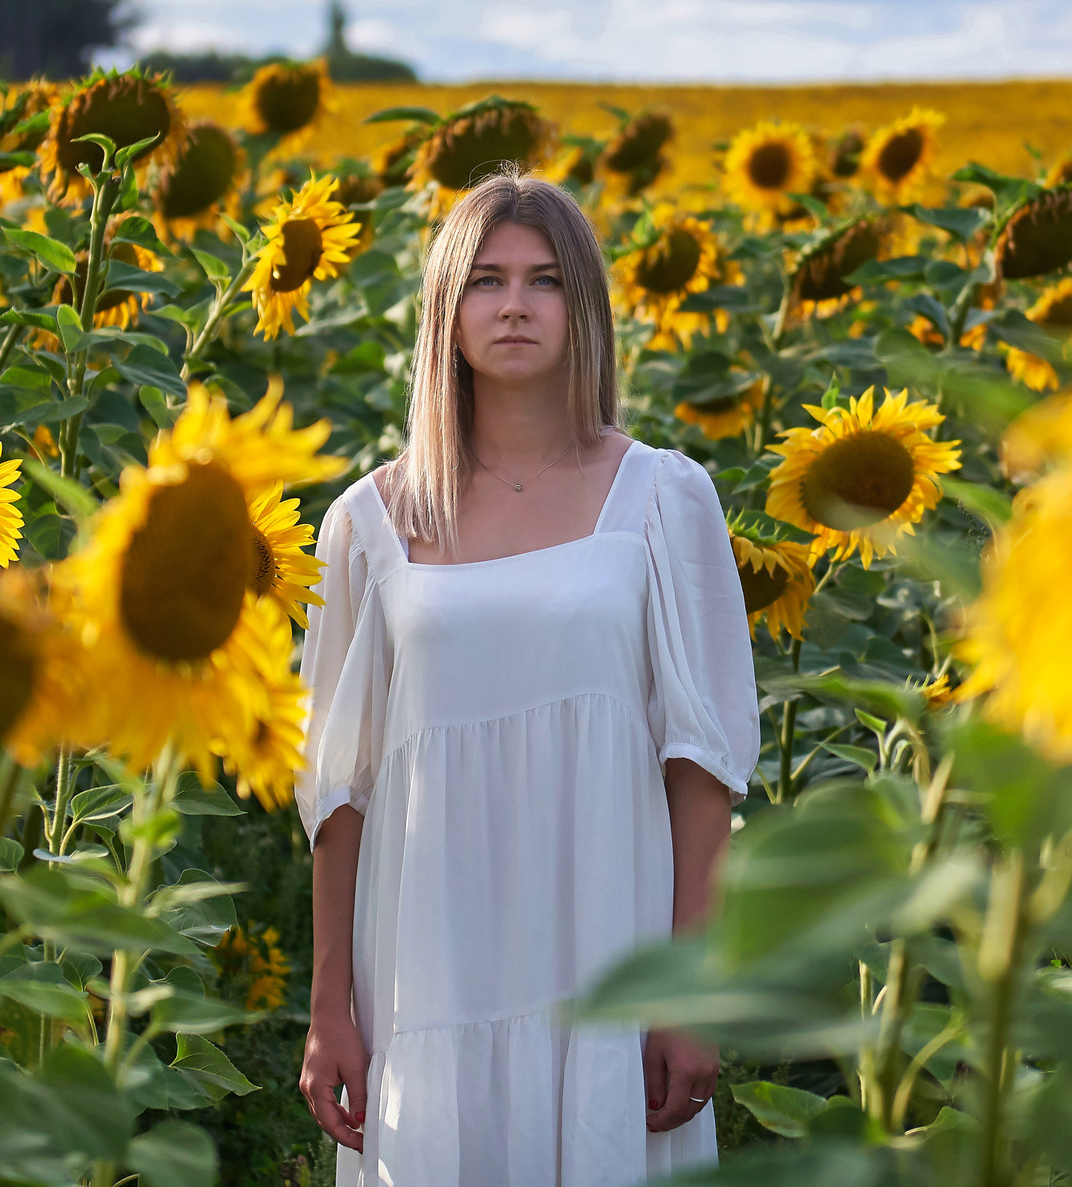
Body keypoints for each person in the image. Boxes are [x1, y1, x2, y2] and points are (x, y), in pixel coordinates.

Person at [295, 170, 762, 1185]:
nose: (513, 304)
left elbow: (703, 769)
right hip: (426, 970)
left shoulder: (663, 500)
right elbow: (339, 791)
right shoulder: (366, 524)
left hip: (609, 958)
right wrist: (330, 1005)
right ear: (444, 311)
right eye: (486, 280)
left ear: (582, 307)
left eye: (545, 279)